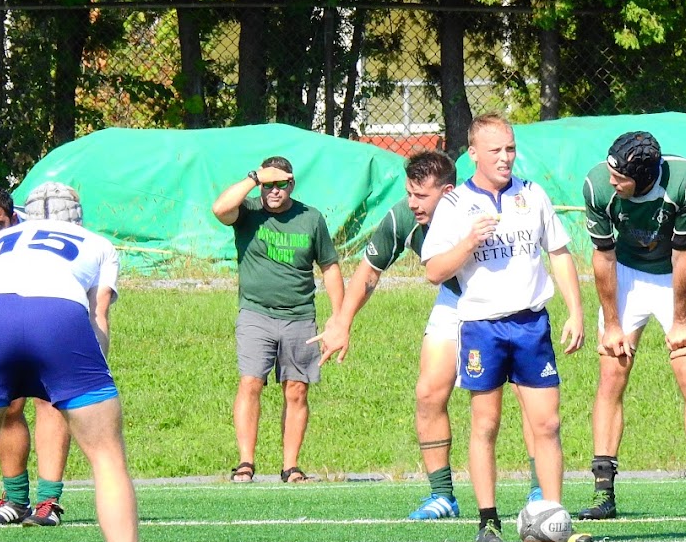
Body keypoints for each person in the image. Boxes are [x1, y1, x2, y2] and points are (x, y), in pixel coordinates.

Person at [312, 151, 543, 519]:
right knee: (428, 392)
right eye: (409, 193)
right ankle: (442, 496)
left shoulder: (478, 208)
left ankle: (540, 491)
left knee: (527, 395)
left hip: (505, 303)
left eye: (421, 195)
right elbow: (369, 272)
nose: (412, 203)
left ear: (447, 192)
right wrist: (342, 321)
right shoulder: (404, 218)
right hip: (455, 301)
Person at [0, 198, 169, 542]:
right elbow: (99, 315)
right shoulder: (98, 243)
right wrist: (92, 380)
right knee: (107, 457)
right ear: (79, 217)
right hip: (58, 317)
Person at [421, 114, 585, 542]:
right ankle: (488, 521)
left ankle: (553, 517)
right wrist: (468, 243)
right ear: (474, 153)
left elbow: (559, 253)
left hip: (531, 324)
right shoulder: (455, 205)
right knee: (486, 423)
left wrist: (576, 311)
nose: (505, 157)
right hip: (482, 327)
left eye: (510, 148)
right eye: (495, 150)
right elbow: (433, 271)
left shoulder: (532, 194)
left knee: (547, 423)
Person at [578, 130, 686, 520]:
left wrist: (680, 321)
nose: (611, 180)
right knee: (612, 373)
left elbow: (684, 253)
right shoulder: (597, 185)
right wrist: (612, 324)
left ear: (643, 177)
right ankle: (603, 493)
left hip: (677, 272)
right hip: (626, 271)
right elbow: (603, 256)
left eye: (620, 177)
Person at [212, 157, 344, 483]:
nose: (274, 191)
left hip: (299, 315)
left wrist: (338, 317)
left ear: (292, 184)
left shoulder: (310, 218)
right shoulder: (248, 212)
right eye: (268, 185)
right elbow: (219, 209)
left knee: (297, 389)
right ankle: (245, 462)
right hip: (256, 313)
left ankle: (291, 466)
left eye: (281, 184)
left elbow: (329, 267)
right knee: (251, 382)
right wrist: (254, 177)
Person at [0, 184, 80, 528]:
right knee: (6, 405)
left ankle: (48, 501)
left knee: (49, 402)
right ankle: (16, 500)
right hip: (0, 325)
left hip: (48, 320)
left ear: (14, 218)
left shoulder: (35, 236)